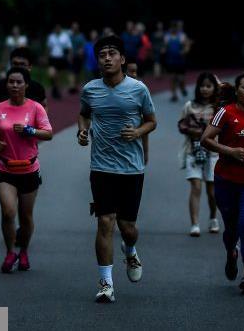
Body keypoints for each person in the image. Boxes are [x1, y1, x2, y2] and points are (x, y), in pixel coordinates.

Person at [77, 35, 157, 303]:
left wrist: (138, 132)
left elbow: (152, 121)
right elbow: (84, 113)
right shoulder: (90, 89)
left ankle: (130, 249)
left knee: (127, 227)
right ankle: (106, 284)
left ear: (122, 59)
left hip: (131, 168)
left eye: (112, 53)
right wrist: (82, 131)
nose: (107, 58)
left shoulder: (138, 89)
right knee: (105, 222)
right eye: (102, 55)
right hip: (101, 166)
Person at [201, 73, 244, 295]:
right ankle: (231, 250)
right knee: (231, 229)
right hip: (226, 180)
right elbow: (205, 139)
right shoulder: (225, 112)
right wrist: (230, 151)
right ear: (237, 90)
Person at [0, 67, 53, 273]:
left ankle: (23, 251)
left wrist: (29, 130)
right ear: (6, 84)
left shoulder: (35, 108)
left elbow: (48, 133)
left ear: (26, 85)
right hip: (5, 168)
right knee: (8, 212)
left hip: (28, 169)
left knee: (25, 217)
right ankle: (10, 252)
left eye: (19, 82)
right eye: (11, 82)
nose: (14, 86)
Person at [178, 72, 221, 237]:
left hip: (213, 153)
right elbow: (181, 125)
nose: (205, 89)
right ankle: (195, 224)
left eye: (209, 86)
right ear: (198, 87)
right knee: (196, 187)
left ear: (214, 88)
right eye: (202, 86)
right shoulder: (189, 106)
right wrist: (194, 131)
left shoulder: (218, 108)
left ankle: (213, 218)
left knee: (212, 191)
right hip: (193, 151)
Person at [0, 47, 47, 121]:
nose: (18, 67)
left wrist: (36, 124)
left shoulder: (37, 88)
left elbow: (44, 108)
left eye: (22, 64)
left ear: (30, 67)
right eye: (15, 64)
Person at [163, 21, 191, 102]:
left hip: (180, 61)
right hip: (170, 60)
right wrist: (163, 50)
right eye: (171, 28)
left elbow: (187, 45)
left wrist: (184, 51)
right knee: (172, 78)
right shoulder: (167, 36)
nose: (173, 29)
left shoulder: (182, 36)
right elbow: (165, 47)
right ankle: (174, 95)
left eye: (174, 28)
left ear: (176, 28)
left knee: (180, 79)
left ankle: (182, 88)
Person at [46, 24, 72, 99]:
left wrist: (70, 56)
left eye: (59, 27)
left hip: (61, 58)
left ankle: (56, 90)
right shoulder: (51, 37)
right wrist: (46, 57)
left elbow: (69, 47)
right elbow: (48, 48)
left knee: (58, 76)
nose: (57, 29)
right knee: (51, 74)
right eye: (56, 28)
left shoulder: (65, 36)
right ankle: (55, 88)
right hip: (53, 58)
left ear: (60, 28)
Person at [68, 22, 86, 95]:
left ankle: (75, 86)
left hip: (78, 57)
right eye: (73, 27)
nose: (75, 28)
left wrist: (81, 51)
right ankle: (72, 86)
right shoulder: (69, 36)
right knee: (71, 71)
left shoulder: (81, 36)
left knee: (77, 72)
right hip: (71, 56)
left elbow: (83, 46)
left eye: (76, 27)